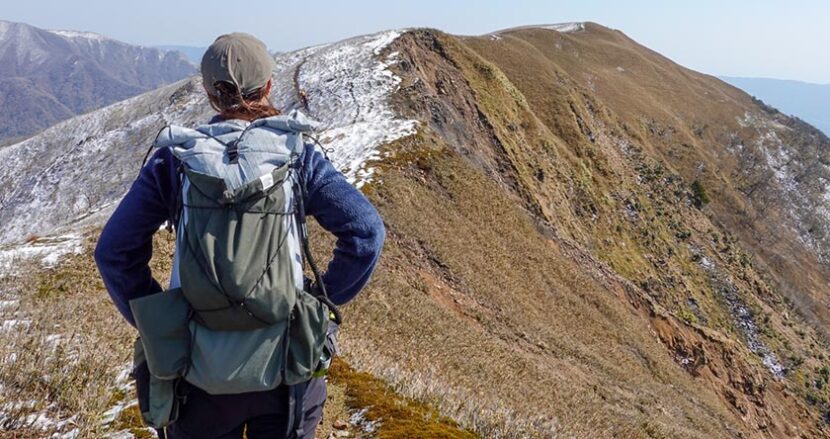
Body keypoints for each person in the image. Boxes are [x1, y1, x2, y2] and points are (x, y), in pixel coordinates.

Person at [95, 32, 385, 439]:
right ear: (267, 87)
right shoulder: (298, 154)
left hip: (196, 372)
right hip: (286, 366)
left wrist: (157, 324)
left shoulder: (175, 160)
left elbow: (113, 252)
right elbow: (365, 233)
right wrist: (317, 306)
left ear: (210, 93)